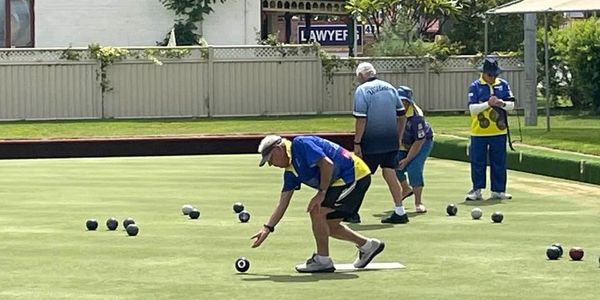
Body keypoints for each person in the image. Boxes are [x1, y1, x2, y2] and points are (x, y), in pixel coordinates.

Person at [250, 135, 385, 273]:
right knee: (328, 226)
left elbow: (327, 164)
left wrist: (321, 192)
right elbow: (283, 203)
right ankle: (369, 246)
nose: (271, 164)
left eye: (271, 159)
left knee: (317, 211)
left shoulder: (300, 144)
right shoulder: (290, 172)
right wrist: (267, 228)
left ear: (278, 149)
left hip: (354, 175)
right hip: (339, 182)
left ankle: (323, 260)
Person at [352, 62, 409, 224]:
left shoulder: (362, 91)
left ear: (361, 76)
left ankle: (352, 212)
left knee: (360, 176)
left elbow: (361, 120)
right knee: (389, 173)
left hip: (371, 143)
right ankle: (400, 211)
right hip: (390, 141)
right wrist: (398, 137)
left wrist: (357, 143)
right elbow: (402, 116)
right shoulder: (390, 88)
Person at [466, 57, 515, 201]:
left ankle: (498, 190)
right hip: (479, 132)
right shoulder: (475, 86)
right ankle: (477, 190)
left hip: (499, 131)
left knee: (499, 161)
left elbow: (511, 105)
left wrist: (501, 103)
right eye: (490, 75)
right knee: (478, 161)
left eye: (495, 75)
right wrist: (488, 104)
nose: (493, 78)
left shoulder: (503, 85)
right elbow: (472, 109)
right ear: (484, 73)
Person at [395, 86, 434, 213]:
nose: (401, 103)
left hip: (423, 142)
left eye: (404, 101)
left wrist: (407, 160)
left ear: (409, 102)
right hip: (405, 141)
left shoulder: (417, 116)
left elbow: (419, 140)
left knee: (414, 167)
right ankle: (406, 189)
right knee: (394, 163)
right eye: (399, 100)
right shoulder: (391, 111)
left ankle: (418, 202)